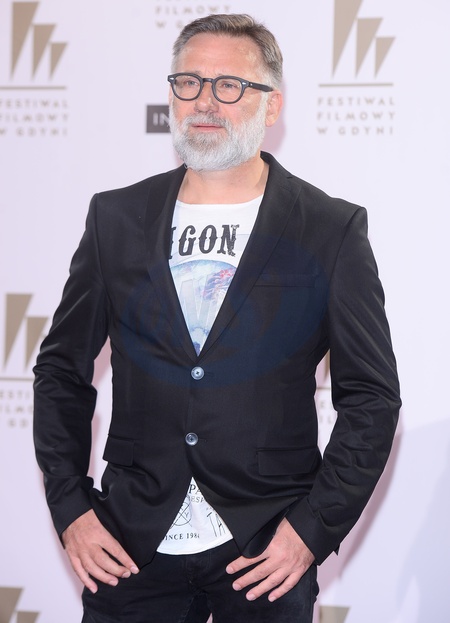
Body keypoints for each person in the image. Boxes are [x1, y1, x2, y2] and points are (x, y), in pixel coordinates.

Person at [33, 13, 401, 623]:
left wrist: (311, 530)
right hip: (131, 544)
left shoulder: (330, 229)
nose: (205, 101)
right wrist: (71, 508)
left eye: (229, 85)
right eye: (189, 82)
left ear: (272, 104)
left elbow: (372, 398)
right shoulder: (115, 218)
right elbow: (59, 373)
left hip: (266, 547)